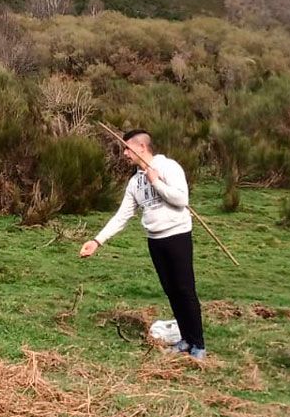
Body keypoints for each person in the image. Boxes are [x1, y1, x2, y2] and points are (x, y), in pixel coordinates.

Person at [79, 129, 206, 359]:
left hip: (177, 236)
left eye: (127, 148)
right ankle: (185, 340)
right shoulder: (134, 182)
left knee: (185, 290)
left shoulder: (169, 167)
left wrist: (156, 181)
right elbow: (122, 216)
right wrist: (97, 241)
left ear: (141, 147)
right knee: (171, 291)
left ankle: (198, 344)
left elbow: (181, 200)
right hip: (155, 241)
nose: (125, 153)